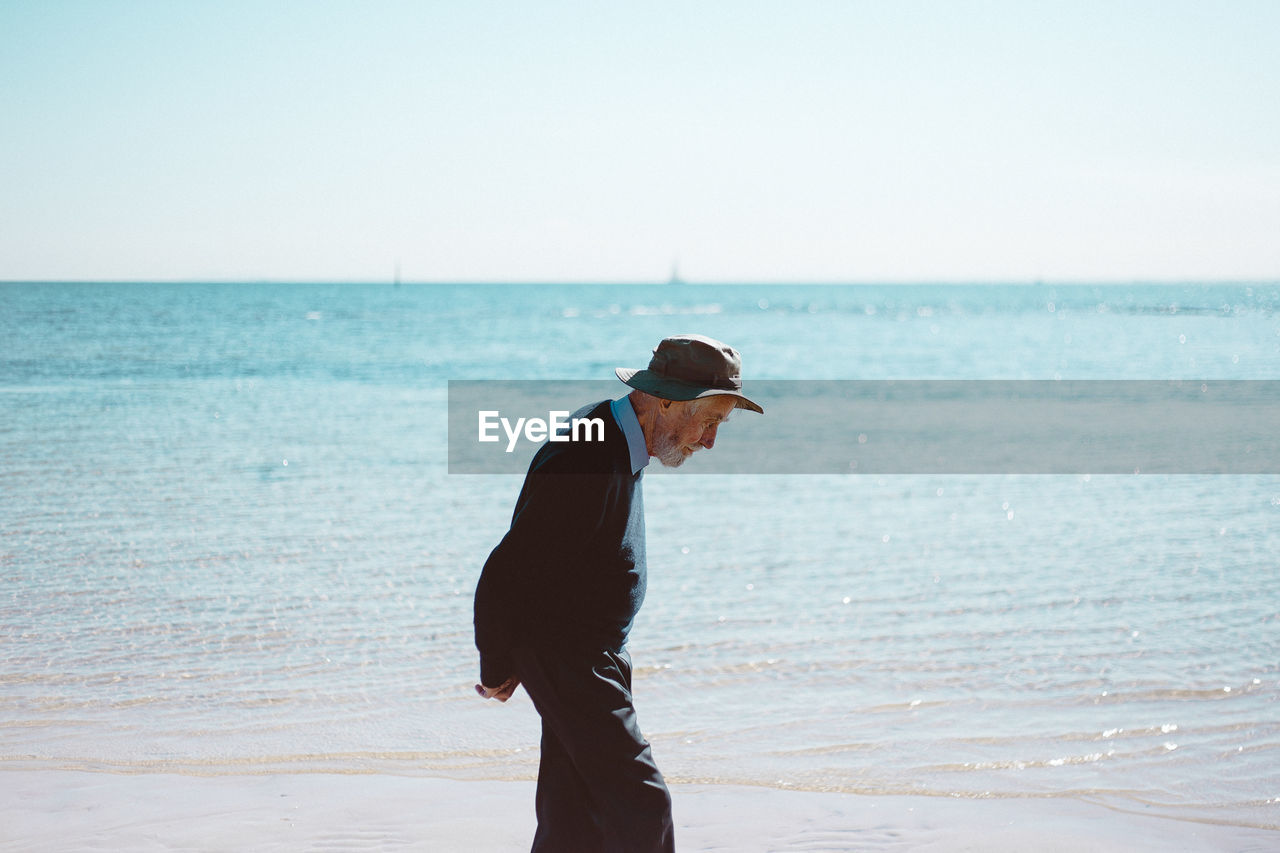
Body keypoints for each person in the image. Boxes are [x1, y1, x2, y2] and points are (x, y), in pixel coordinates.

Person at [473, 333, 763, 853]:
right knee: (642, 806)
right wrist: (497, 663)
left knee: (573, 821)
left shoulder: (620, 439)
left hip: (587, 656)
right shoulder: (586, 454)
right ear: (668, 401)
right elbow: (506, 571)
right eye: (710, 421)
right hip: (570, 658)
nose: (712, 440)